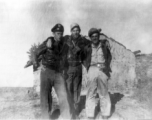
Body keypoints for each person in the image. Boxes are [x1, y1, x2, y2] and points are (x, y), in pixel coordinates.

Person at [34, 23, 72, 119]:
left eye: (61, 33)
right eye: (58, 33)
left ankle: (66, 117)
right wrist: (38, 65)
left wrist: (65, 70)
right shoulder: (48, 42)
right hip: (46, 72)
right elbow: (35, 53)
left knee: (63, 96)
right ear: (54, 33)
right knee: (45, 97)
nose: (60, 35)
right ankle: (46, 117)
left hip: (58, 73)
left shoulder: (64, 45)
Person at [84, 28, 112, 119]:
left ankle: (105, 114)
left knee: (103, 92)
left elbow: (109, 57)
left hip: (102, 68)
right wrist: (87, 67)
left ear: (99, 37)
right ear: (90, 38)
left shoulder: (104, 45)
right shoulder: (87, 47)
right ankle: (90, 115)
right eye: (92, 36)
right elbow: (82, 57)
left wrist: (106, 66)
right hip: (92, 68)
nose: (95, 38)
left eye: (96, 36)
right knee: (91, 92)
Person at [63, 23, 90, 115]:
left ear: (79, 31)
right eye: (74, 30)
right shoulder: (66, 39)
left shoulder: (83, 40)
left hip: (78, 67)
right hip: (69, 67)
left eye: (77, 30)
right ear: (71, 31)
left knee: (77, 89)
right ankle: (70, 109)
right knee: (68, 88)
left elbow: (91, 43)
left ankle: (76, 109)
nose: (76, 32)